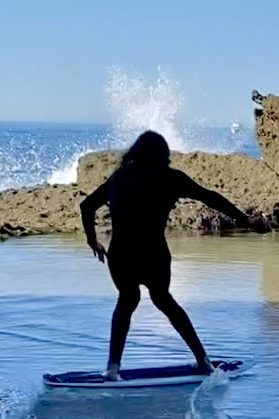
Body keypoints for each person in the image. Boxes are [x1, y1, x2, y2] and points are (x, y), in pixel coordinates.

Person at [80, 130, 269, 381]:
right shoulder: (169, 178)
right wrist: (245, 220)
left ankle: (112, 368)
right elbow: (210, 197)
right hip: (153, 253)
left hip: (121, 255)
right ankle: (203, 361)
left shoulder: (119, 177)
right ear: (163, 156)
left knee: (127, 300)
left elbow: (86, 206)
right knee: (163, 300)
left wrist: (92, 239)